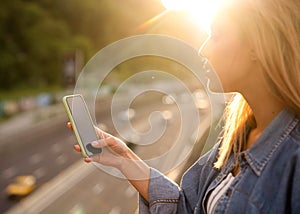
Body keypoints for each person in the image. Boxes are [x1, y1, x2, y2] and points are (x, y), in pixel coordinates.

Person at [69, 0, 300, 212]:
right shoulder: (237, 137)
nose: (203, 50)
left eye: (216, 35)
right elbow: (187, 207)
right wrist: (125, 160)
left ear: (257, 45)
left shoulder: (294, 159)